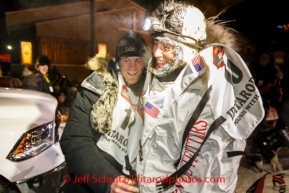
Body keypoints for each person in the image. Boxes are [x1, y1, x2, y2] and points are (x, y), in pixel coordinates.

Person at [135, 1, 265, 192]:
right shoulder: (155, 75)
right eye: (155, 43)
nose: (156, 52)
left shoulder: (212, 92)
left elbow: (215, 169)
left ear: (188, 48)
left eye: (167, 46)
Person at [60, 30, 150, 193]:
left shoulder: (153, 91)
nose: (132, 67)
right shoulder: (96, 85)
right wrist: (109, 180)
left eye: (138, 60)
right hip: (91, 182)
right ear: (117, 61)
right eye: (126, 60)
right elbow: (75, 140)